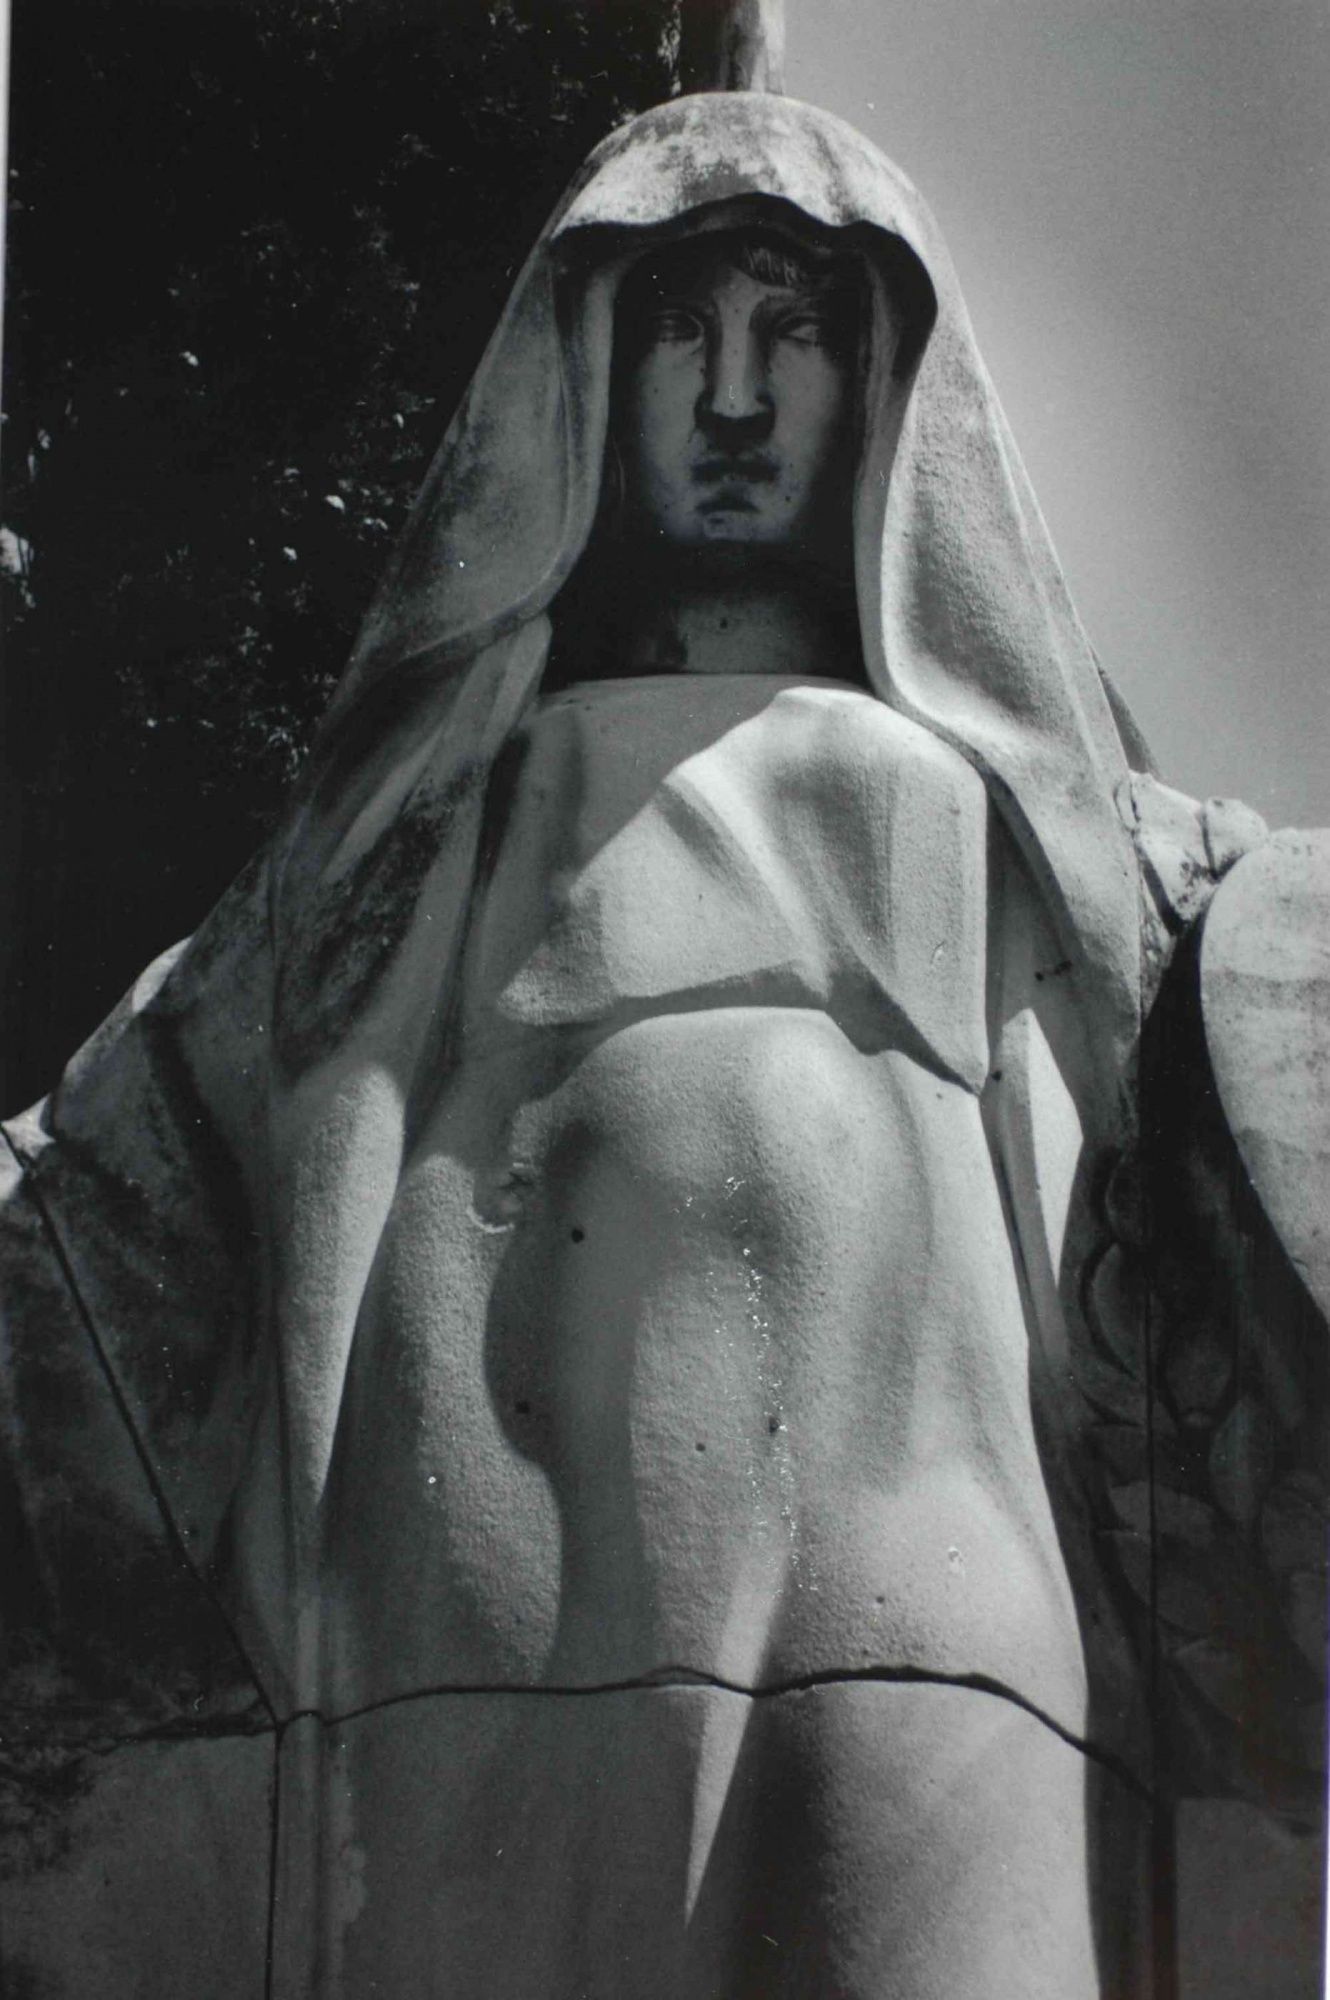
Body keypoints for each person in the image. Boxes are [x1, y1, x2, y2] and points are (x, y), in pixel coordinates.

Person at [1, 88, 1319, 1999]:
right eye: (678, 332)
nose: (733, 397)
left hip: (942, 1586)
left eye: (794, 330)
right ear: (585, 376)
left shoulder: (1069, 852)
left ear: (881, 382)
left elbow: (1260, 1087)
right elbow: (106, 1211)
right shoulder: (407, 839)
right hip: (488, 1605)